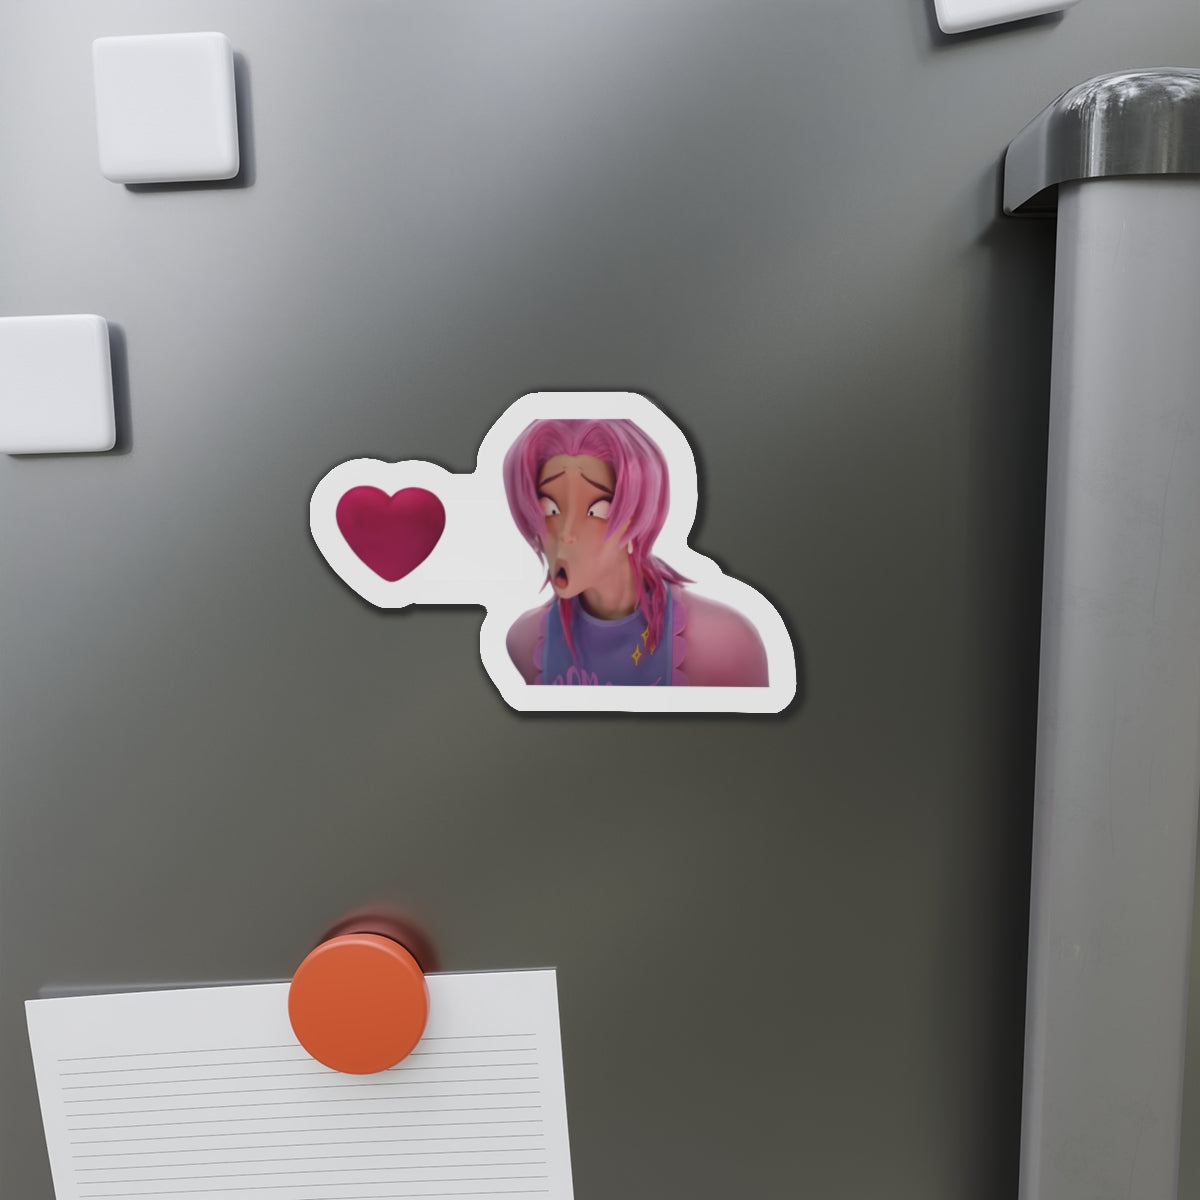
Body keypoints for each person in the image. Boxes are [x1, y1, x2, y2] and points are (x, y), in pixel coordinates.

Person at [502, 418, 768, 686]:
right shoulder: (524, 642)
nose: (566, 533)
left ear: (635, 516)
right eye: (550, 509)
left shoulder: (725, 643)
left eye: (595, 511)